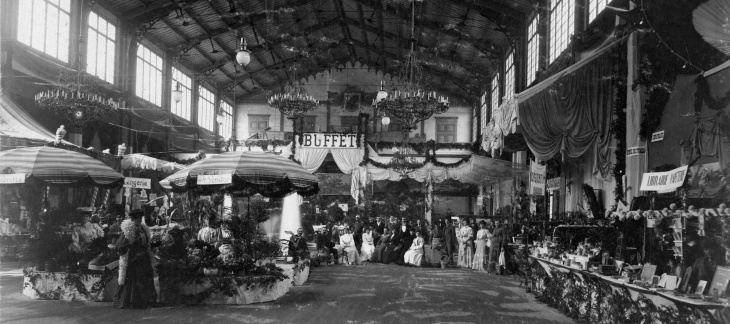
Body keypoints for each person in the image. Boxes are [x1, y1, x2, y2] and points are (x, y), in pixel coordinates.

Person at [114, 209, 156, 309]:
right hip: (134, 259)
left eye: (141, 218)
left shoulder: (142, 228)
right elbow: (120, 247)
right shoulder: (128, 230)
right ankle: (133, 302)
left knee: (146, 277)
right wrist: (131, 244)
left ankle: (146, 300)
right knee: (134, 279)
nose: (140, 220)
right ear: (132, 219)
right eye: (138, 219)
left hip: (144, 258)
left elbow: (145, 243)